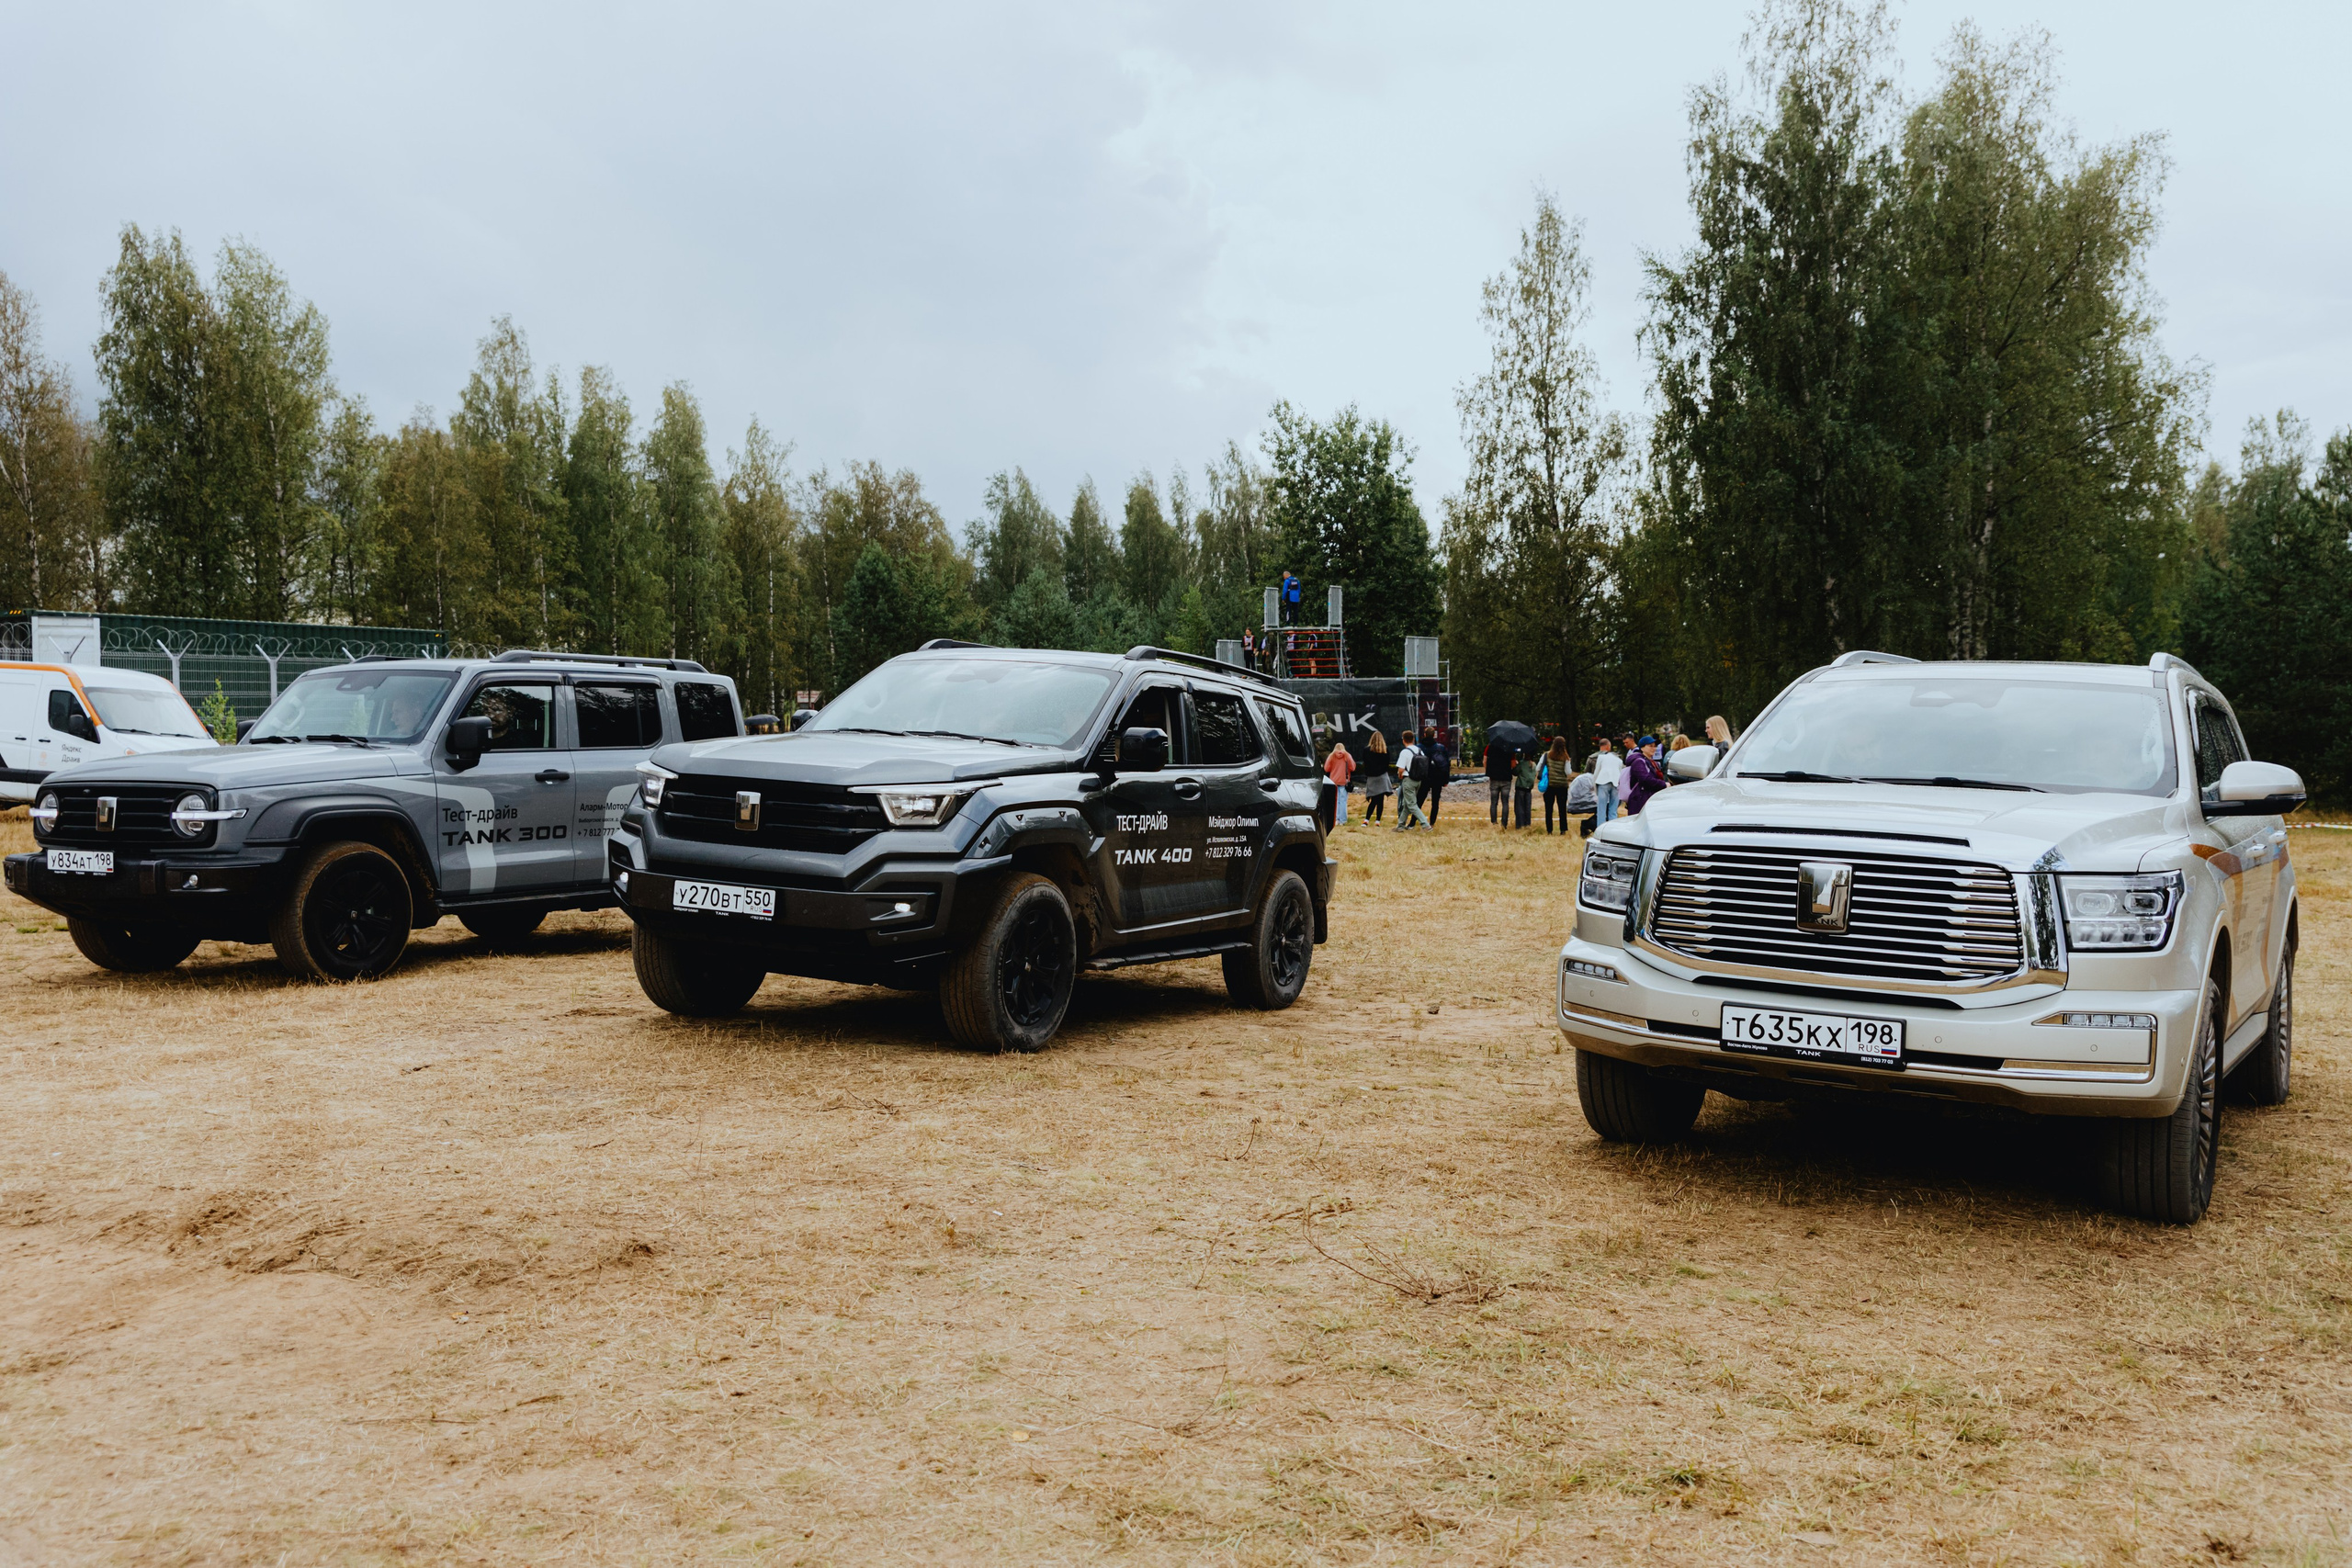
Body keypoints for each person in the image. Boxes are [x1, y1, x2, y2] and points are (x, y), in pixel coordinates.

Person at [1394, 728, 1431, 830]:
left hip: (1408, 780)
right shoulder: (1419, 750)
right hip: (1418, 780)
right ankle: (1400, 826)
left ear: (1403, 740)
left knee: (1411, 804)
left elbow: (1401, 769)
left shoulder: (1405, 752)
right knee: (1407, 804)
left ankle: (1426, 825)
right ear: (1413, 739)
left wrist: (1400, 776)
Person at [1623, 734, 1668, 814]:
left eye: (1655, 746)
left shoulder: (1652, 762)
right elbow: (1645, 779)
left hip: (1648, 800)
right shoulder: (1638, 761)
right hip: (1639, 802)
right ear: (1642, 748)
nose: (1654, 748)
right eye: (1651, 746)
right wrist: (1663, 784)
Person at [1361, 729, 1393, 823]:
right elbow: (1387, 765)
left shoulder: (1366, 750)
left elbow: (1365, 763)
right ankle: (1378, 820)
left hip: (1371, 777)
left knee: (1373, 799)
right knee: (1380, 800)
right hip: (1382, 777)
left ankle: (1367, 819)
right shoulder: (1385, 750)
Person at [1542, 736, 1572, 833]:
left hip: (1550, 785)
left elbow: (1538, 768)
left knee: (1549, 809)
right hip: (1562, 786)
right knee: (1562, 809)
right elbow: (1568, 772)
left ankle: (1549, 830)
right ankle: (1563, 829)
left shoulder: (1547, 755)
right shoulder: (1565, 757)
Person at [1483, 731, 1515, 823]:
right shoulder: (1510, 747)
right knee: (1505, 802)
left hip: (1494, 778)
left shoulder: (1489, 747)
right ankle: (1504, 823)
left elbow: (1484, 761)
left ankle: (1494, 822)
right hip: (1506, 778)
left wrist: (1489, 771)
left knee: (1494, 802)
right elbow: (1513, 764)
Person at [1591, 736, 1623, 824]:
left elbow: (1596, 772)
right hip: (1615, 783)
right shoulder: (1619, 760)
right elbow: (1620, 773)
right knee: (1613, 810)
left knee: (1601, 809)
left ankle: (1600, 829)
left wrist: (1595, 786)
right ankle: (1612, 830)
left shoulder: (1601, 757)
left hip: (1603, 782)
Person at [1323, 738, 1354, 826]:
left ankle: (1335, 819)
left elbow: (1326, 769)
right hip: (1344, 781)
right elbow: (1353, 767)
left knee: (1335, 801)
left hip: (1333, 781)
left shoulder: (1331, 756)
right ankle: (1343, 820)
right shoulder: (1347, 756)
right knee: (1343, 801)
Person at [1422, 729, 1451, 822]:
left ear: (1424, 735)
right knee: (1435, 802)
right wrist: (1446, 780)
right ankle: (1432, 822)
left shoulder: (1419, 747)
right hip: (1437, 777)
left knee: (1419, 800)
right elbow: (1446, 764)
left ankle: (1413, 821)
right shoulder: (1441, 748)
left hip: (1424, 776)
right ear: (1434, 735)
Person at [1513, 745, 1537, 829]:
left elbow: (1515, 772)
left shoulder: (1522, 763)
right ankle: (1527, 824)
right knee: (1527, 808)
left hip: (1520, 787)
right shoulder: (1534, 765)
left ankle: (1520, 824)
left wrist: (1516, 764)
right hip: (1529, 789)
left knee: (1519, 807)